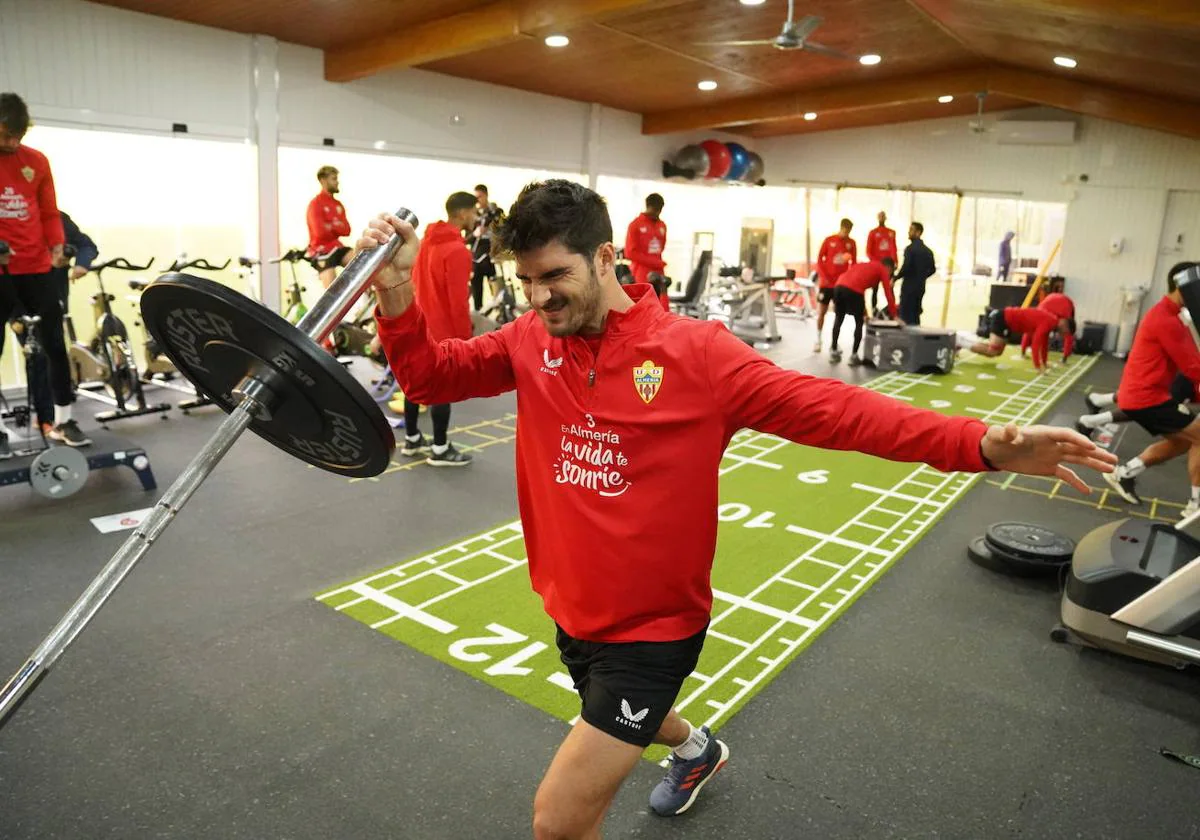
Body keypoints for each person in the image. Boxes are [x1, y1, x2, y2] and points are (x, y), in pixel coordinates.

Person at [363, 179, 1114, 839]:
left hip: (653, 628)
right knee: (619, 729)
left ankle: (678, 744)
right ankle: (697, 750)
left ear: (604, 259)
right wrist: (396, 291)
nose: (537, 297)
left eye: (553, 276)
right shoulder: (533, 337)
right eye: (526, 280)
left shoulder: (697, 354)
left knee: (558, 821)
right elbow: (429, 377)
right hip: (569, 605)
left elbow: (838, 410)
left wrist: (980, 443)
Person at [0, 92, 91, 456]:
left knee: (54, 345)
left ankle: (63, 419)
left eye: (17, 136)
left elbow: (49, 211)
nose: (12, 143)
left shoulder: (35, 161)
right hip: (1, 270)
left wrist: (56, 245)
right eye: (5, 135)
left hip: (36, 269)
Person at [1102, 262, 1200, 520]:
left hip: (1147, 395)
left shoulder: (1170, 315)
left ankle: (1124, 474)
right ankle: (1195, 506)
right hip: (1147, 398)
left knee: (1181, 442)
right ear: (1186, 287)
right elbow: (1194, 368)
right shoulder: (1167, 320)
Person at [398, 191, 478, 467]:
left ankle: (412, 439)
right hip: (444, 330)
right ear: (464, 213)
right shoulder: (457, 251)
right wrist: (467, 340)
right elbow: (458, 301)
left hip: (420, 324)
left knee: (415, 384)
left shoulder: (425, 244)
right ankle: (441, 448)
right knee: (441, 387)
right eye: (475, 212)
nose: (476, 217)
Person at [10, 211, 98, 435]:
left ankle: (56, 421)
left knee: (54, 353)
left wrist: (82, 264)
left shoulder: (59, 219)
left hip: (51, 300)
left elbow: (86, 245)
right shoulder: (11, 221)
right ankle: (45, 418)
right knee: (38, 355)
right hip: (17, 301)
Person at [830, 257, 897, 366]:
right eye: (891, 271)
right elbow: (888, 293)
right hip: (853, 290)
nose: (890, 274)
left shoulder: (866, 265)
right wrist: (895, 315)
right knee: (859, 322)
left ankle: (833, 351)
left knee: (838, 319)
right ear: (888, 267)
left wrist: (864, 311)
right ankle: (854, 356)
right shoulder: (882, 269)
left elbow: (858, 285)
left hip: (838, 287)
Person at [967, 305, 1059, 372]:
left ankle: (991, 313)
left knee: (997, 352)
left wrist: (1044, 363)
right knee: (992, 351)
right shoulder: (1047, 323)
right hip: (1002, 318)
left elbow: (1042, 343)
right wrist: (1038, 367)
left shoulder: (1050, 322)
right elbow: (1035, 344)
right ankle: (961, 342)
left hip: (1009, 323)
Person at [305, 165, 352, 289]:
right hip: (320, 250)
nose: (337, 182)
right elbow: (320, 233)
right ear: (323, 180)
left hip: (336, 247)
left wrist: (329, 225)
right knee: (333, 291)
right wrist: (337, 225)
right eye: (334, 179)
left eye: (337, 179)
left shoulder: (338, 204)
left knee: (362, 264)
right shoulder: (315, 204)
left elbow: (347, 230)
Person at [814, 218, 857, 352]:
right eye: (845, 230)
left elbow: (853, 263)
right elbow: (820, 259)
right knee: (822, 311)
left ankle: (834, 343)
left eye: (849, 231)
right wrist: (824, 276)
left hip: (840, 285)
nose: (846, 233)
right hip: (826, 284)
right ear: (841, 227)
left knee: (839, 314)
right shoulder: (829, 240)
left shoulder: (851, 243)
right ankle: (818, 339)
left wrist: (849, 279)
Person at [624, 193, 669, 310]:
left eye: (660, 210)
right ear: (648, 206)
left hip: (659, 271)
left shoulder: (662, 225)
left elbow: (661, 247)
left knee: (661, 308)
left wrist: (657, 264)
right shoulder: (635, 225)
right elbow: (629, 253)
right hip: (641, 272)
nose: (657, 213)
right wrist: (652, 262)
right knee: (642, 308)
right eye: (655, 209)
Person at [469, 184, 504, 311]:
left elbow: (503, 230)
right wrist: (475, 233)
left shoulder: (496, 211)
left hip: (492, 254)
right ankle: (479, 313)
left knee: (498, 291)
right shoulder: (473, 215)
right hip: (476, 257)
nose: (477, 200)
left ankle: (501, 313)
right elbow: (466, 238)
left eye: (480, 196)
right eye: (475, 197)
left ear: (486, 195)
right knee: (476, 289)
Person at [895, 222, 935, 326]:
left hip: (909, 287)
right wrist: (922, 276)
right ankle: (917, 339)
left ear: (918, 232)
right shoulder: (928, 251)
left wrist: (895, 278)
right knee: (915, 314)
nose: (909, 232)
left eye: (912, 230)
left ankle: (907, 341)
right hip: (920, 286)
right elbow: (932, 269)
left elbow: (906, 267)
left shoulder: (910, 249)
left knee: (905, 315)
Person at [1020, 291, 1075, 365]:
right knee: (1067, 331)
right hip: (1055, 302)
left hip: (1054, 301)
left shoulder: (1047, 315)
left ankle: (1023, 352)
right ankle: (1064, 359)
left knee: (1068, 330)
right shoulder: (1046, 316)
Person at [865, 211, 897, 314]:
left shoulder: (891, 232)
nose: (882, 218)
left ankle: (892, 309)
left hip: (888, 266)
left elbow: (893, 248)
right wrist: (875, 263)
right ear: (877, 218)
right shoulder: (873, 232)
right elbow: (868, 251)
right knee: (875, 288)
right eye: (880, 216)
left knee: (889, 287)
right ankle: (874, 308)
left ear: (885, 218)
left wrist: (894, 262)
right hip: (877, 265)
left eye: (883, 216)